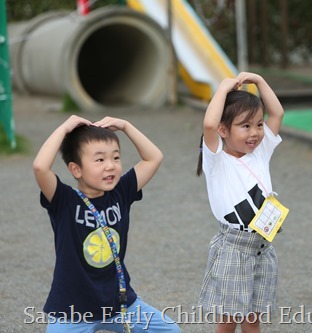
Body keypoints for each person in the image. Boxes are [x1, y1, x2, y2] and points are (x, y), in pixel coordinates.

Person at [33, 115, 181, 333]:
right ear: (76, 170)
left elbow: (153, 158)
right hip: (72, 310)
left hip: (120, 304)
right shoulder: (64, 200)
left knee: (170, 331)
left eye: (116, 158)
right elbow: (40, 167)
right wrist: (64, 128)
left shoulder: (121, 191)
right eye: (100, 160)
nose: (110, 166)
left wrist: (126, 126)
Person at [196, 72, 284, 333]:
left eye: (258, 124)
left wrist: (260, 81)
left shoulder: (260, 152)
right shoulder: (216, 160)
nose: (255, 132)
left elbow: (277, 113)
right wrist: (222, 89)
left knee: (252, 317)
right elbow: (209, 125)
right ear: (224, 130)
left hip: (262, 246)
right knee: (228, 321)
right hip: (234, 248)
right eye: (245, 126)